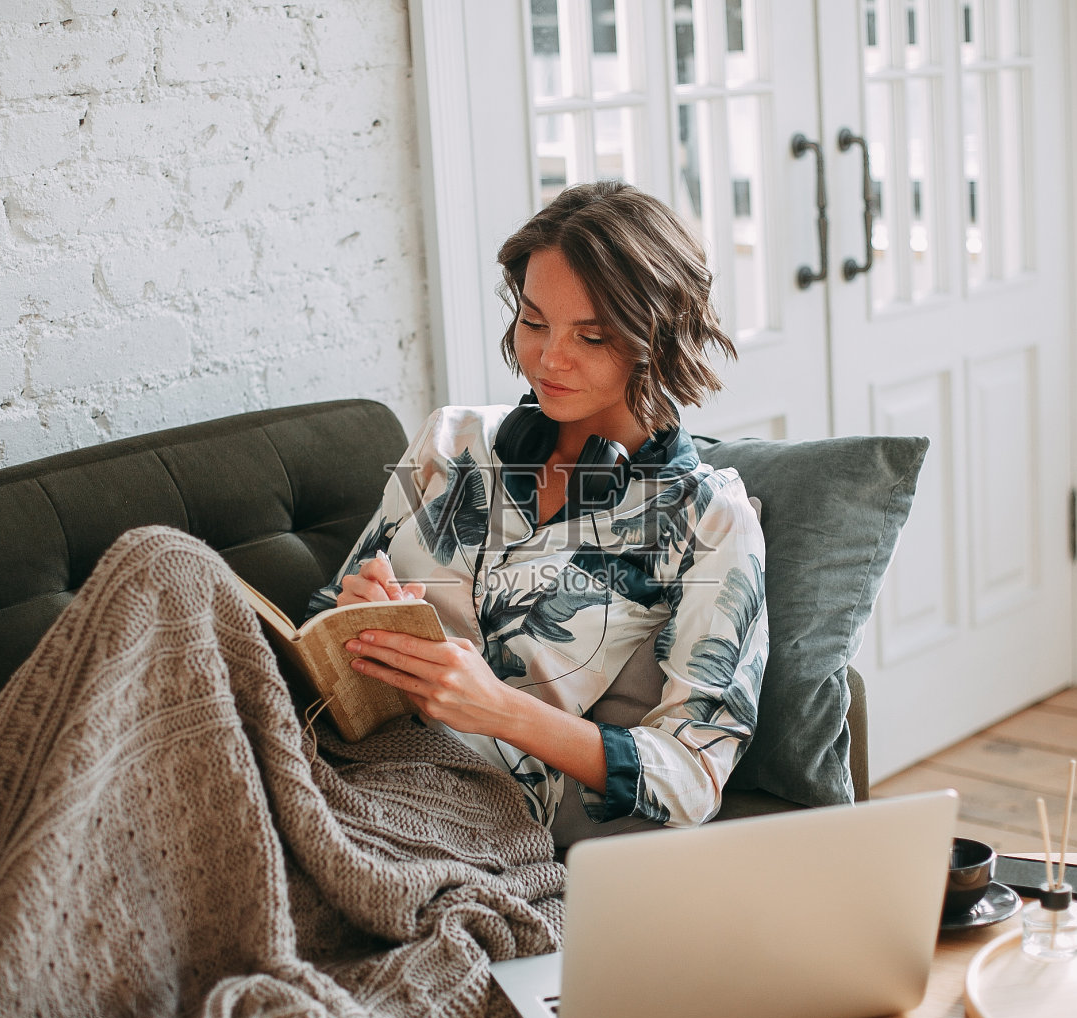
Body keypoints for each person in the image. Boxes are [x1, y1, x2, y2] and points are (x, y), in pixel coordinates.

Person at [304, 180, 768, 831]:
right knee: (168, 563)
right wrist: (351, 610)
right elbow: (321, 614)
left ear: (656, 339)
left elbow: (693, 778)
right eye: (533, 321)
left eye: (592, 336)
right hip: (327, 754)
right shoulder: (449, 437)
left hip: (460, 811)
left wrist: (497, 708)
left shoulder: (709, 522)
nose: (549, 357)